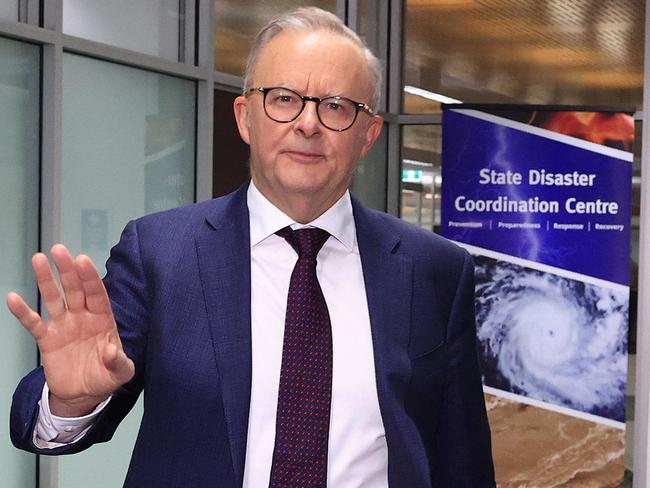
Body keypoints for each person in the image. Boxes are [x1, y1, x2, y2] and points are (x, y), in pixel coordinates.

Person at [8, 7, 495, 488]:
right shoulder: (161, 252)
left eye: (337, 106)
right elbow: (76, 395)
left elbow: (462, 458)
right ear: (245, 117)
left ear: (368, 135)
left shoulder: (434, 270)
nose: (308, 124)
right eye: (284, 99)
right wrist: (72, 402)